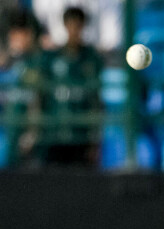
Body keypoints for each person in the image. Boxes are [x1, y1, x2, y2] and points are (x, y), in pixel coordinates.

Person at [35, 6, 103, 168]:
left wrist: (94, 140)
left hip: (81, 137)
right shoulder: (51, 59)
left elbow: (96, 101)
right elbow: (40, 96)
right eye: (70, 25)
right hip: (53, 135)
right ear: (65, 26)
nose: (74, 31)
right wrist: (37, 130)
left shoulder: (91, 58)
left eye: (78, 26)